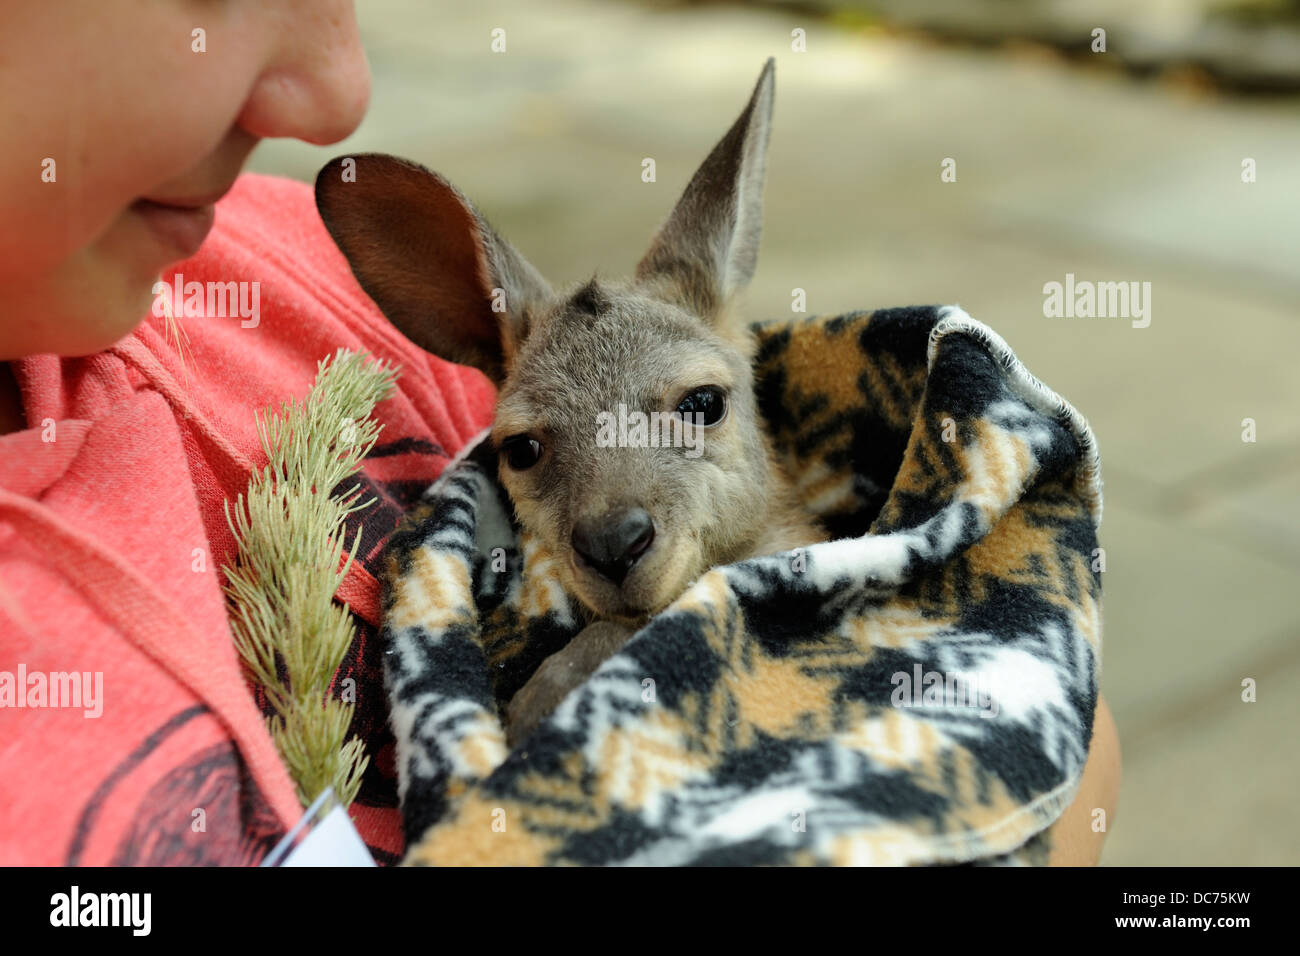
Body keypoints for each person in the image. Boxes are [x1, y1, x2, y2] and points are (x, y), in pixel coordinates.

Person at [0, 1, 1117, 865]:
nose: (332, 90)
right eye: (529, 451)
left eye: (692, 408)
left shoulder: (298, 305)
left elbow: (1045, 721)